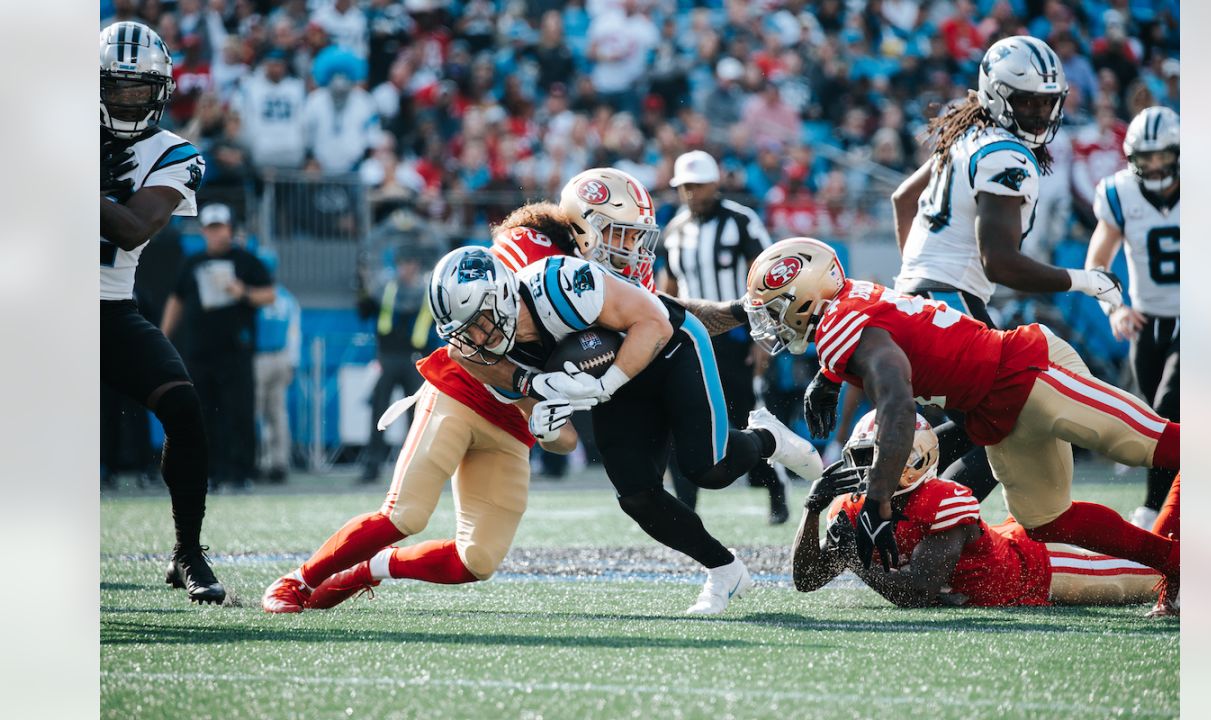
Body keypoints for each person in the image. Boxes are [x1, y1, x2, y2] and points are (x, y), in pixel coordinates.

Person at [745, 237, 1181, 615]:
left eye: (775, 309)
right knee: (1046, 520)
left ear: (806, 298)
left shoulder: (843, 325)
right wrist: (829, 375)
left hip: (1023, 370)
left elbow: (896, 403)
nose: (771, 322)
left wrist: (878, 500)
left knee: (1150, 446)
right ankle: (1177, 563)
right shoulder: (845, 308)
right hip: (993, 412)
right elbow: (882, 337)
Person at [437, 240, 823, 615]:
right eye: (464, 331)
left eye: (479, 323)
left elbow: (653, 322)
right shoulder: (478, 356)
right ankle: (724, 570)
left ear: (502, 295)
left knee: (708, 468)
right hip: (618, 383)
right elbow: (566, 442)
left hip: (670, 346)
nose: (474, 339)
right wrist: (546, 430)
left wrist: (605, 384)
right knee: (637, 495)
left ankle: (767, 438)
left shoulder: (558, 284)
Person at [880, 36, 1124, 506]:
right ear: (996, 95)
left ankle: (895, 494)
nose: (1039, 114)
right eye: (1027, 101)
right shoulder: (1005, 156)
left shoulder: (968, 137)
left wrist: (914, 277)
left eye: (1047, 102)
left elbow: (903, 200)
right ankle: (925, 525)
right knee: (1009, 421)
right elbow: (1001, 262)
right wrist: (1085, 280)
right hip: (952, 303)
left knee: (978, 423)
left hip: (918, 298)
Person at [261, 278, 585, 614]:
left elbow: (567, 440)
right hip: (459, 393)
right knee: (405, 514)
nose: (476, 337)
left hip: (512, 427)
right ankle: (296, 581)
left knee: (478, 560)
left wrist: (547, 430)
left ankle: (371, 567)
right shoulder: (529, 295)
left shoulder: (579, 314)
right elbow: (463, 346)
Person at [793, 410, 1167, 611]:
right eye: (863, 457)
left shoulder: (939, 500)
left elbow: (920, 591)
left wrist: (855, 559)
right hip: (997, 567)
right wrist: (812, 510)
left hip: (1038, 572)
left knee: (1150, 574)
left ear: (915, 458)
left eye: (879, 457)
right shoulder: (852, 508)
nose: (868, 470)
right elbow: (807, 579)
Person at [99, 21, 223, 603]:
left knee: (184, 408)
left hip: (108, 305)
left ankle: (187, 550)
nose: (127, 101)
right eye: (116, 88)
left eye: (138, 90)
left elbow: (132, 228)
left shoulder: (172, 152)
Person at [659, 151, 789, 524]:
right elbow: (668, 289)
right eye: (684, 186)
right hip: (690, 340)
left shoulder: (741, 222)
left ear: (715, 183)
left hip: (736, 339)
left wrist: (761, 339)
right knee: (680, 419)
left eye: (696, 185)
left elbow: (764, 280)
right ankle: (686, 510)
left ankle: (774, 489)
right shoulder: (675, 230)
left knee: (746, 417)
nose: (689, 192)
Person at [1085, 106, 1180, 531]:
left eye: (1164, 155)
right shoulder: (1120, 193)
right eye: (1148, 157)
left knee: (1168, 408)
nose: (1157, 165)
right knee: (1159, 423)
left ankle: (1151, 511)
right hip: (1149, 323)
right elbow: (1097, 260)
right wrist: (1115, 307)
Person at [161, 204, 277, 491]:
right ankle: (211, 472)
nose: (215, 234)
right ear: (203, 232)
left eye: (220, 228)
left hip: (235, 351)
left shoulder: (247, 261)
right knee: (204, 414)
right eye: (210, 228)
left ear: (229, 229)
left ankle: (240, 473)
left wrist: (244, 292)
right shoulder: (192, 262)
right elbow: (176, 299)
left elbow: (270, 295)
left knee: (238, 411)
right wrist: (162, 337)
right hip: (200, 352)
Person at [355, 245, 434, 483]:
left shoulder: (424, 291)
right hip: (388, 357)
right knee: (379, 413)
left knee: (417, 416)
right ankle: (372, 466)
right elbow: (364, 311)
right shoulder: (387, 288)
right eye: (402, 264)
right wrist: (363, 285)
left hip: (414, 359)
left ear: (417, 267)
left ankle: (414, 469)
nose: (406, 269)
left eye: (410, 264)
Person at [253, 253, 301, 484]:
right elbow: (294, 334)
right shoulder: (287, 298)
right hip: (281, 357)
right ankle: (279, 461)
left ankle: (260, 461)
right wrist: (292, 362)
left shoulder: (256, 296)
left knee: (257, 412)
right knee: (278, 413)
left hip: (260, 357)